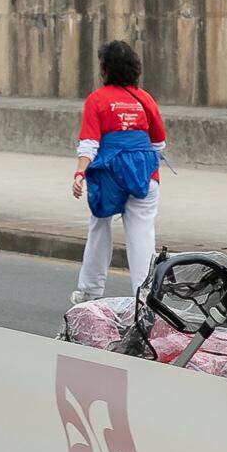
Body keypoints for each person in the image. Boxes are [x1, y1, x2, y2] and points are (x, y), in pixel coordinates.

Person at [70, 40, 166, 305]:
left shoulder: (97, 100)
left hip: (108, 174)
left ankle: (90, 291)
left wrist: (80, 173)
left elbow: (89, 143)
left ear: (105, 69)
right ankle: (146, 296)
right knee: (142, 234)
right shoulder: (144, 98)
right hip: (144, 176)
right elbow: (159, 144)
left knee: (99, 225)